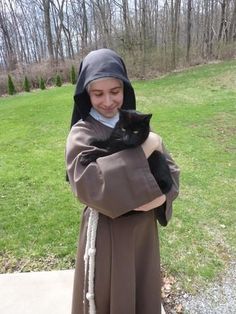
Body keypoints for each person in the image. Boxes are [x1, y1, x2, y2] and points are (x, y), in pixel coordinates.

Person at [65, 48, 180, 314]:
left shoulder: (134, 121)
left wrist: (162, 197)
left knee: (140, 293)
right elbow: (88, 182)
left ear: (125, 89)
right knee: (110, 296)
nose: (107, 101)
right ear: (86, 94)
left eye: (115, 91)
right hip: (108, 235)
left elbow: (172, 171)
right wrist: (145, 149)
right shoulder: (82, 132)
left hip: (142, 233)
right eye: (98, 93)